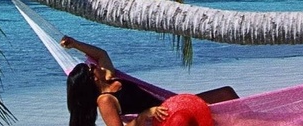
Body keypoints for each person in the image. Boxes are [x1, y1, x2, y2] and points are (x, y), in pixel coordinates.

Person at [59, 37, 228, 126]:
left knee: (226, 94)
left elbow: (101, 54)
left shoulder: (110, 77)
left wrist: (74, 44)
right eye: (91, 67)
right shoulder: (105, 100)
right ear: (93, 78)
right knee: (223, 104)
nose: (94, 64)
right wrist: (145, 115)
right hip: (166, 119)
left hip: (173, 104)